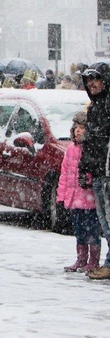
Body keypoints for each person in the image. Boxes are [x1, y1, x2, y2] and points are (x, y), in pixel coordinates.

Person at [57, 112, 101, 273]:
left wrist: (88, 181)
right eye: (76, 127)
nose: (78, 131)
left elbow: (94, 170)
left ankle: (93, 260)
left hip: (88, 200)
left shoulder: (91, 149)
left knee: (92, 231)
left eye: (82, 128)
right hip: (74, 199)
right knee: (79, 231)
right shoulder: (70, 149)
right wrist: (62, 196)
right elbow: (65, 175)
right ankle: (81, 259)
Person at [78, 63, 110, 280]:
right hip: (98, 173)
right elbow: (90, 142)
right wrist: (84, 168)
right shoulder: (94, 106)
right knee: (104, 222)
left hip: (107, 172)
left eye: (95, 79)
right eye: (88, 80)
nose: (92, 84)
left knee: (108, 220)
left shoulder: (106, 105)